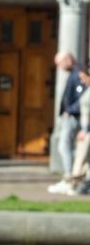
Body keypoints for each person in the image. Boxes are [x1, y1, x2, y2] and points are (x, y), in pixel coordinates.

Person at [49, 50, 84, 187]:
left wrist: (69, 111)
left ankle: (70, 176)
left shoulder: (78, 74)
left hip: (74, 117)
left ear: (68, 60)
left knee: (65, 146)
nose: (59, 68)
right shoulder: (73, 74)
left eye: (60, 64)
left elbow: (84, 98)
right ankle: (72, 176)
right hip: (71, 116)